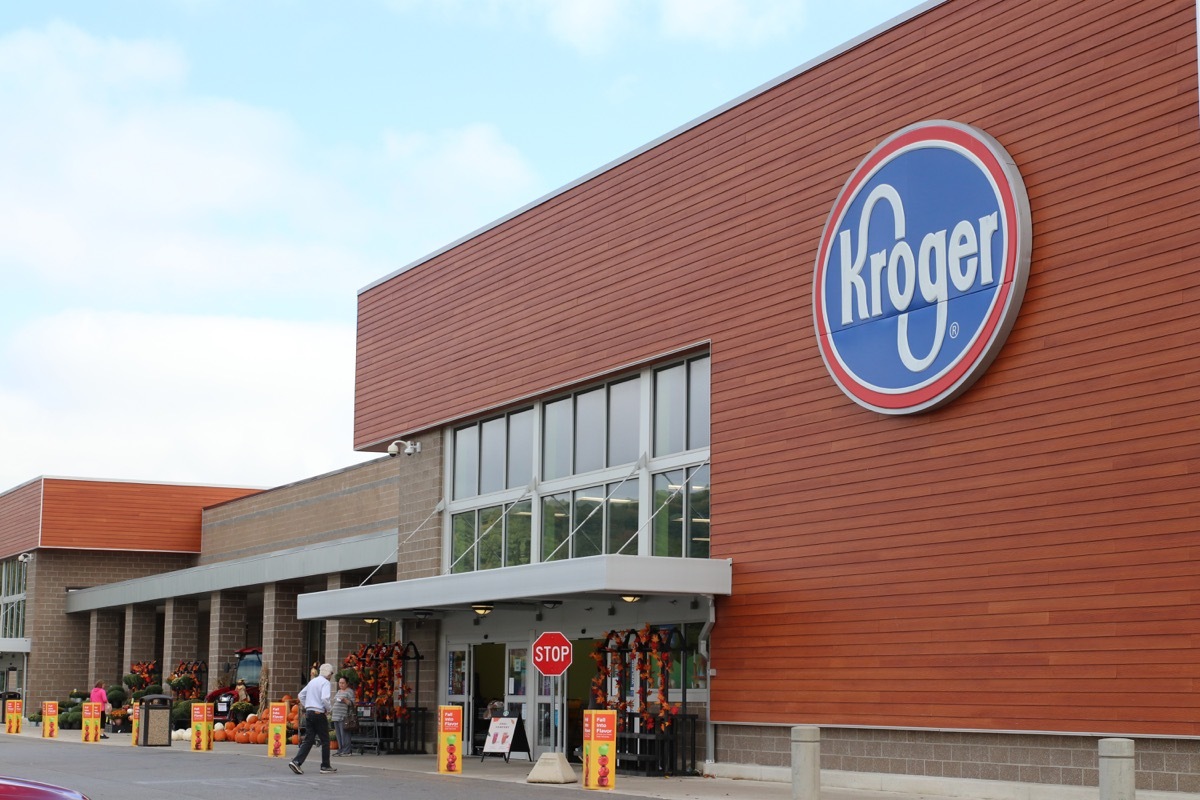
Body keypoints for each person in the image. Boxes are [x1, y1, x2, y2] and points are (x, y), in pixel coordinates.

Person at [288, 663, 336, 775]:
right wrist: (328, 709)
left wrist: (307, 705)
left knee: (309, 739)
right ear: (329, 673)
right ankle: (325, 765)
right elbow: (325, 698)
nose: (331, 676)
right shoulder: (325, 683)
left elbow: (301, 695)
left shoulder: (313, 681)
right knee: (325, 740)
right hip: (319, 712)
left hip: (309, 712)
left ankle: (297, 761)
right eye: (332, 673)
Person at [331, 676, 356, 757]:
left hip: (344, 716)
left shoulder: (349, 691)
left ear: (347, 683)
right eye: (340, 683)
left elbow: (352, 703)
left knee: (344, 734)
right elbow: (335, 701)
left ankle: (347, 750)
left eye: (343, 683)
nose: (341, 685)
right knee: (338, 734)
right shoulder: (338, 691)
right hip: (336, 715)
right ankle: (340, 749)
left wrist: (345, 700)